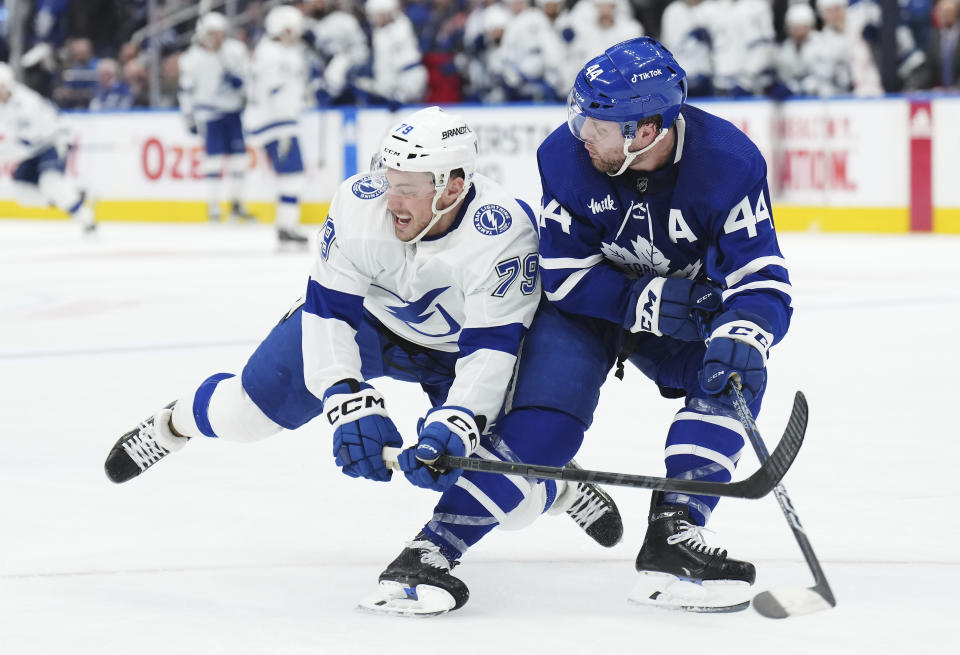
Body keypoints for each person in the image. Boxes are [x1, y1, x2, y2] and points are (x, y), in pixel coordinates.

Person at [102, 107, 622, 606]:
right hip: (370, 326)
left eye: (410, 188)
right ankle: (173, 425)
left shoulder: (505, 234)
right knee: (244, 417)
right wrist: (346, 398)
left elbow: (491, 348)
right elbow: (328, 312)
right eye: (390, 179)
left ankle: (558, 483)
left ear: (454, 187)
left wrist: (458, 421)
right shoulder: (358, 202)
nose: (393, 199)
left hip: (455, 355)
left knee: (515, 507)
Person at [371, 37, 793, 614]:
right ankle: (429, 553)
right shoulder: (565, 158)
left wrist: (745, 330)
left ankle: (675, 534)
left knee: (735, 376)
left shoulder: (729, 161)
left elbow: (761, 273)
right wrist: (646, 301)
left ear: (645, 130)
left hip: (686, 313)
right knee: (546, 430)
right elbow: (565, 274)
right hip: (585, 312)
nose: (580, 132)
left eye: (597, 122)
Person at [0, 62, 96, 234]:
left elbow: (26, 142)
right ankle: (72, 196)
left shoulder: (25, 103)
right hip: (33, 148)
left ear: (7, 84)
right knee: (21, 192)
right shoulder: (3, 104)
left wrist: (3, 155)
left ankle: (86, 220)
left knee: (50, 183)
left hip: (53, 141)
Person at [178, 12, 255, 222]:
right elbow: (186, 90)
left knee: (240, 160)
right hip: (209, 114)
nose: (217, 38)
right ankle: (213, 207)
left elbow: (249, 79)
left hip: (233, 112)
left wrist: (241, 85)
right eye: (212, 34)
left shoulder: (234, 52)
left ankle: (236, 204)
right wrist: (188, 116)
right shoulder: (192, 59)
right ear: (202, 34)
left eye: (220, 33)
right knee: (212, 161)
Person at [246, 4, 311, 246]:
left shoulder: (270, 51)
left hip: (277, 123)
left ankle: (287, 226)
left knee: (291, 176)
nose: (294, 35)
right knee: (292, 176)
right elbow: (275, 92)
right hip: (278, 124)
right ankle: (287, 227)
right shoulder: (275, 55)